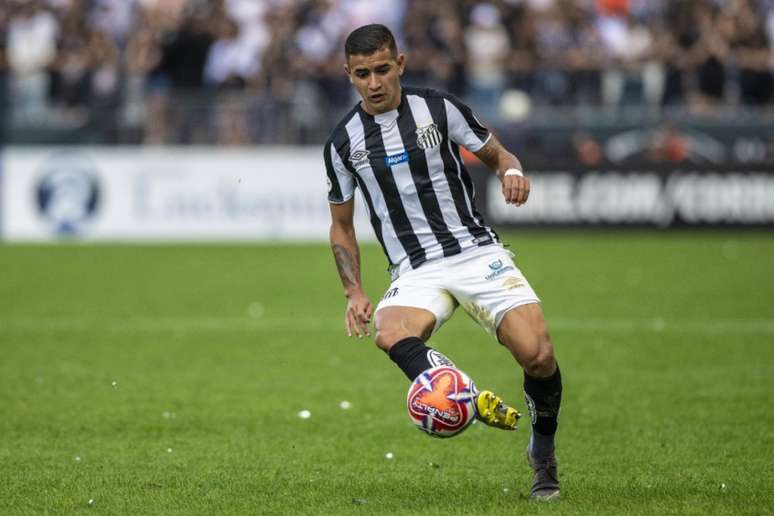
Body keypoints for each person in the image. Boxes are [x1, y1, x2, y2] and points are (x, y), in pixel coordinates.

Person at [324, 24, 562, 500]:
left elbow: (497, 154)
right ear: (349, 75)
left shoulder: (440, 109)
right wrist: (353, 290)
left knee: (538, 356)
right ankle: (464, 394)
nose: (374, 83)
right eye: (362, 74)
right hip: (415, 269)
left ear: (401, 65)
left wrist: (511, 170)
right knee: (389, 332)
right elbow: (342, 226)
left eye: (383, 70)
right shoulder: (343, 142)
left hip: (476, 252)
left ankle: (542, 453)